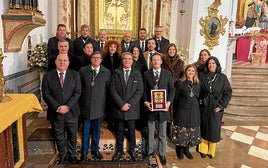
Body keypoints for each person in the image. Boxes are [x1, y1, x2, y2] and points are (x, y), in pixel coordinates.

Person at [42, 53, 81, 164]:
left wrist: (67, 106)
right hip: (56, 112)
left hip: (72, 112)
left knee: (72, 135)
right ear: (55, 62)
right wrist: (57, 107)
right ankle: (63, 155)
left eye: (65, 60)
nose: (62, 62)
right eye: (60, 60)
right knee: (59, 136)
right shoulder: (48, 76)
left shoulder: (75, 75)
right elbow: (46, 94)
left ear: (68, 62)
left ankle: (72, 154)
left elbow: (77, 93)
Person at [110, 52, 144, 161]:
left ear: (132, 61)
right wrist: (121, 104)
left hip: (132, 108)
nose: (127, 61)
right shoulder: (116, 73)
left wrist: (129, 104)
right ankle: (119, 151)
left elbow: (139, 91)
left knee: (131, 130)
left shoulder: (137, 74)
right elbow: (113, 90)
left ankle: (132, 150)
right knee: (119, 130)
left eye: (129, 59)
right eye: (125, 59)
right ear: (122, 60)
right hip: (119, 108)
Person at [143, 53, 175, 166]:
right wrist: (146, 102)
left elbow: (172, 90)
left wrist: (168, 103)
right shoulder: (146, 74)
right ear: (151, 62)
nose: (156, 62)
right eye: (153, 60)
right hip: (151, 108)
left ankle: (162, 153)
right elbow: (144, 91)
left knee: (162, 133)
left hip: (163, 109)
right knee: (150, 132)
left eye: (158, 60)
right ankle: (150, 151)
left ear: (161, 61)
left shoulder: (167, 74)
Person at [79, 51, 111, 162]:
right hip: (86, 106)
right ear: (90, 59)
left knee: (97, 130)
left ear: (101, 60)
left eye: (98, 58)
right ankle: (84, 151)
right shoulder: (83, 71)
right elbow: (79, 89)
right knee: (86, 131)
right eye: (94, 57)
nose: (96, 59)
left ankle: (95, 149)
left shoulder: (106, 72)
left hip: (99, 106)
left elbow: (108, 90)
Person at [198, 56, 232, 159]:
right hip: (204, 106)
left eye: (213, 63)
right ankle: (202, 149)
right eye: (209, 64)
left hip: (216, 106)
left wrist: (221, 105)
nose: (211, 65)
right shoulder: (203, 77)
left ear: (217, 65)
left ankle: (211, 150)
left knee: (214, 128)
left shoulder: (222, 77)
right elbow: (199, 91)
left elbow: (228, 92)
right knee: (204, 127)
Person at [172, 64, 201, 160]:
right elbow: (175, 99)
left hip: (194, 112)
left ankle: (186, 149)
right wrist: (174, 113)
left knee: (190, 131)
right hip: (182, 111)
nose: (191, 72)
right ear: (185, 72)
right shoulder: (180, 83)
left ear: (195, 73)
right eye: (189, 70)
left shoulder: (198, 84)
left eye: (193, 71)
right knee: (181, 131)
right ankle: (179, 149)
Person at [162, 43, 185, 140]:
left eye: (173, 50)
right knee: (167, 111)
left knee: (175, 111)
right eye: (170, 50)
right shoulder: (162, 61)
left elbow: (182, 76)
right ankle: (167, 131)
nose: (172, 51)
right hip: (166, 88)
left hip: (176, 88)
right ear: (167, 51)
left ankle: (175, 132)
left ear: (176, 51)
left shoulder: (180, 62)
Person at [102, 40, 122, 131]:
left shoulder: (120, 58)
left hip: (117, 83)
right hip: (107, 83)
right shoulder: (104, 58)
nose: (112, 48)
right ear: (107, 48)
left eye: (114, 47)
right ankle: (109, 122)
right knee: (108, 103)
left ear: (117, 48)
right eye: (111, 47)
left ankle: (116, 122)